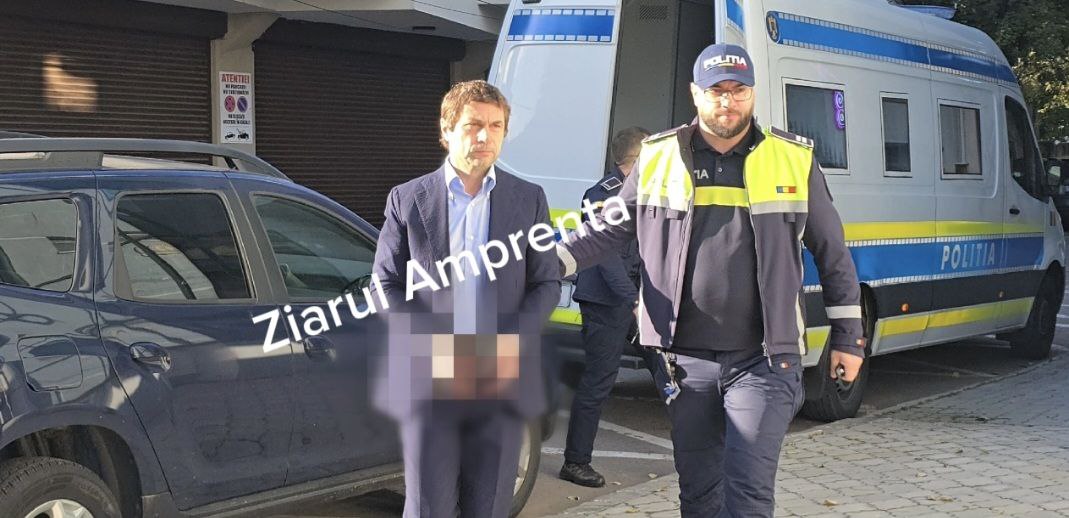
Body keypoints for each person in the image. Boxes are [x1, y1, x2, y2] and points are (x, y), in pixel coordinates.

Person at [555, 43, 866, 517]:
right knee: (698, 494)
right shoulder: (658, 157)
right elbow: (606, 231)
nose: (728, 101)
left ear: (753, 93)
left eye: (738, 90)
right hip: (685, 362)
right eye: (716, 90)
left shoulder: (793, 158)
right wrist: (543, 265)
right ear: (695, 94)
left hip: (764, 359)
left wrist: (849, 338)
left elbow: (833, 254)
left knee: (747, 490)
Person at [371, 80, 560, 518]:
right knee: (429, 505)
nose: (484, 136)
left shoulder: (528, 199)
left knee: (489, 503)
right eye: (473, 125)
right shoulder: (408, 199)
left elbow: (546, 283)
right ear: (447, 129)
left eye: (496, 126)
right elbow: (384, 283)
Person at [559, 126, 648, 488]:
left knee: (671, 373)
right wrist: (633, 300)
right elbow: (606, 255)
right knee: (598, 383)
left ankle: (699, 456)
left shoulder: (645, 192)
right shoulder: (602, 194)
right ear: (636, 161)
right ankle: (575, 462)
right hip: (606, 302)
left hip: (635, 299)